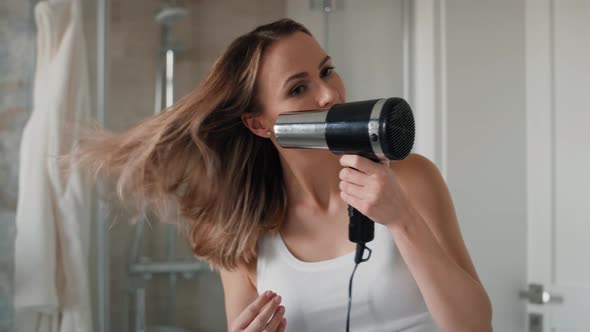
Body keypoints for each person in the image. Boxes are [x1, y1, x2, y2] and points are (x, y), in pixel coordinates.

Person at [73, 19, 492, 332]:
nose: (329, 94)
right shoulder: (241, 228)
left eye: (327, 71)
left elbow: (476, 325)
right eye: (298, 88)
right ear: (258, 124)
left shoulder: (411, 178)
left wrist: (401, 218)